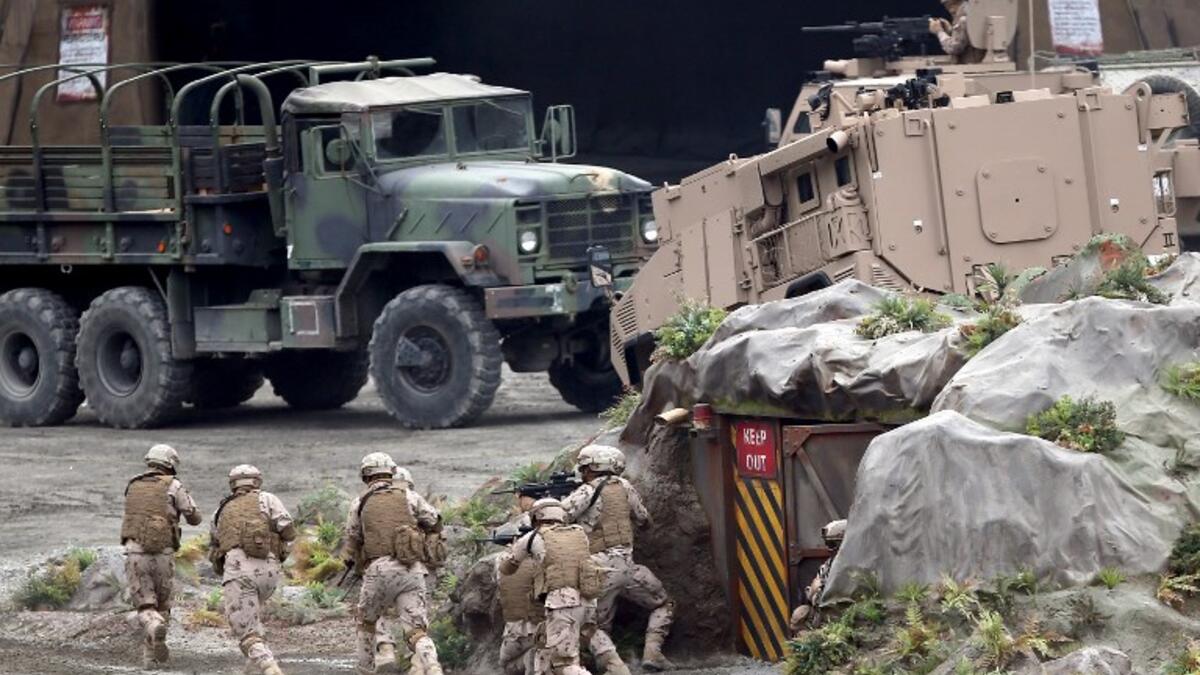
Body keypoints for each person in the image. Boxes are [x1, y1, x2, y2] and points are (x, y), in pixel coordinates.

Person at [562, 445, 674, 672]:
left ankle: (613, 666)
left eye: (585, 468)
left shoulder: (586, 492)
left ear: (594, 467)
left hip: (598, 571)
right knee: (665, 603)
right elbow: (644, 519)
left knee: (594, 626)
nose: (582, 473)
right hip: (629, 569)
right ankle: (653, 652)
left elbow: (559, 517)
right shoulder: (625, 487)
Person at [498, 496, 631, 675]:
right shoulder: (578, 533)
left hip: (562, 604)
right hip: (588, 602)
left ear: (536, 517)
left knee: (562, 663)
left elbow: (506, 569)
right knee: (563, 656)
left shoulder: (533, 537)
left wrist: (515, 549)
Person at [340, 452, 445, 675]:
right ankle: (433, 667)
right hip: (412, 569)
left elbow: (352, 538)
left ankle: (367, 668)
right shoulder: (409, 495)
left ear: (365, 475)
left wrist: (351, 559)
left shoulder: (359, 502)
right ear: (391, 471)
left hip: (378, 570)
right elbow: (435, 521)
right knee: (416, 631)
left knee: (366, 622)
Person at [120, 444, 202, 668]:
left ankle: (150, 656)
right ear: (171, 464)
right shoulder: (174, 485)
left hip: (136, 553)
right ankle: (152, 649)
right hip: (164, 554)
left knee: (146, 607)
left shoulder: (133, 485)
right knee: (163, 606)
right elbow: (195, 518)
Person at [209, 465, 296, 675]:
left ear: (232, 485)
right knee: (253, 617)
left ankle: (268, 665)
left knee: (246, 629)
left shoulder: (220, 511)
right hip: (269, 571)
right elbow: (288, 529)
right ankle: (251, 667)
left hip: (239, 571)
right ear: (257, 481)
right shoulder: (268, 499)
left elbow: (214, 545)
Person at [789, 519, 847, 634]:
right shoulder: (828, 565)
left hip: (840, 615)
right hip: (821, 610)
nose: (829, 548)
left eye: (832, 544)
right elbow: (813, 591)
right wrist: (814, 591)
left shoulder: (851, 566)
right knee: (799, 615)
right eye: (827, 544)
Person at [928, 0, 987, 65]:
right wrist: (950, 31)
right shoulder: (974, 12)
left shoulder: (963, 18)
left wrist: (939, 32)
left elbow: (954, 48)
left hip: (969, 66)